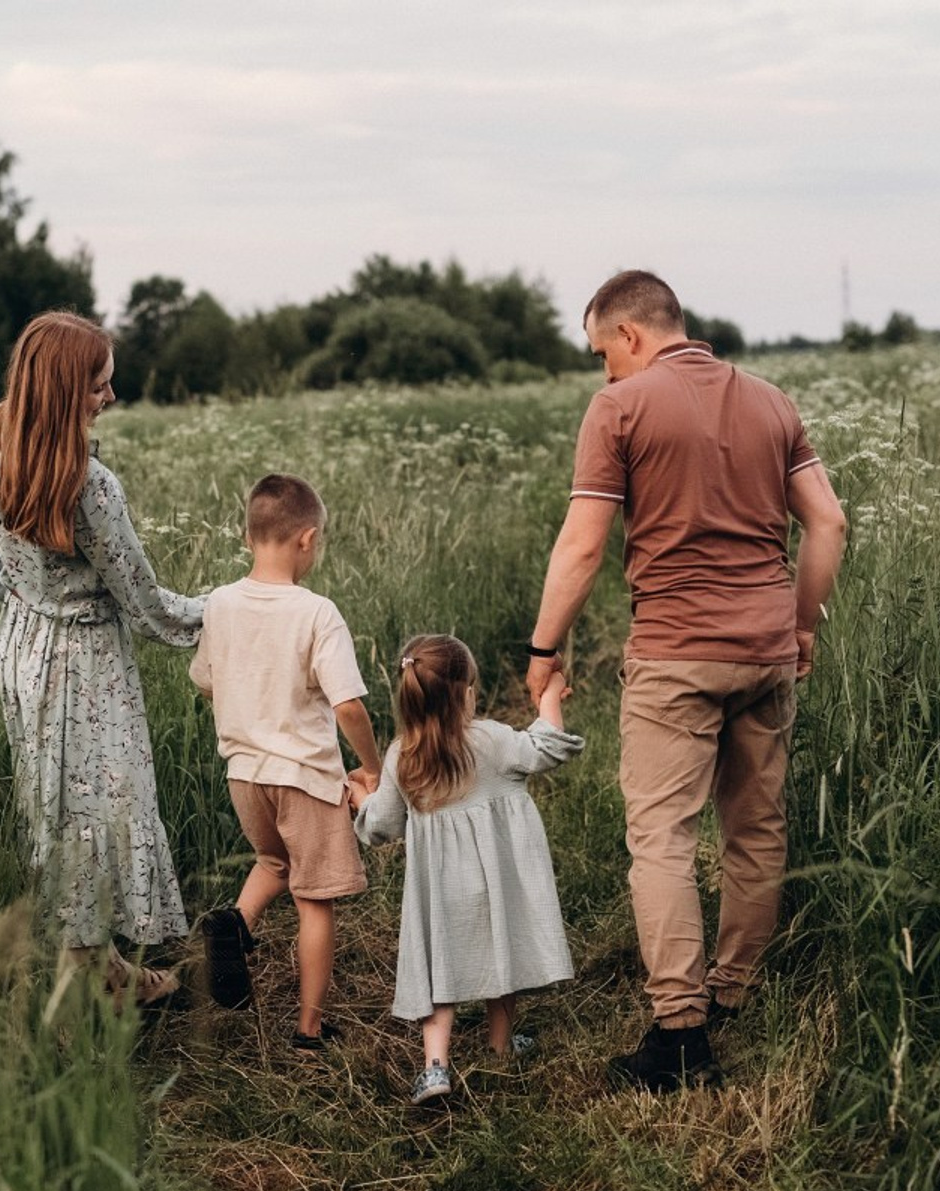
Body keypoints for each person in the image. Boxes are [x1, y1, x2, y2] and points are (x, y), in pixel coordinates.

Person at [526, 270, 847, 1092]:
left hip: (675, 654)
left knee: (662, 838)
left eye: (604, 353)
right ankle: (730, 993)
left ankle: (680, 1033)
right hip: (768, 648)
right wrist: (801, 624)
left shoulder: (621, 408)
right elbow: (828, 522)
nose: (604, 372)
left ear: (631, 336)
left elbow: (583, 547)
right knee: (756, 829)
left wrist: (543, 648)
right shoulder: (772, 400)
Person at [0, 310, 204, 1007]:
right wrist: (228, 615)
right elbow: (146, 604)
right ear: (65, 388)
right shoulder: (90, 484)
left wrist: (25, 594)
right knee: (97, 821)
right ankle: (92, 992)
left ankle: (108, 973)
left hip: (22, 650)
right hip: (85, 665)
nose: (110, 398)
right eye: (99, 386)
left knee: (61, 814)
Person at [188, 473, 381, 1053]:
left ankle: (235, 925)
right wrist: (371, 768)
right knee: (313, 900)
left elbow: (205, 682)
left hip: (244, 773)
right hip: (303, 775)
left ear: (248, 537)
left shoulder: (220, 604)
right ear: (307, 539)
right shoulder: (316, 612)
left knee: (273, 860)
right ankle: (309, 1030)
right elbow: (347, 704)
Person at [350, 635, 582, 1104]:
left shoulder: (401, 756)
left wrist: (360, 800)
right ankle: (499, 1048)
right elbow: (548, 745)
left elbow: (382, 825)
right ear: (465, 693)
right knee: (502, 954)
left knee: (440, 970)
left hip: (441, 893)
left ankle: (435, 1068)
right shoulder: (492, 740)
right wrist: (551, 694)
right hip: (497, 883)